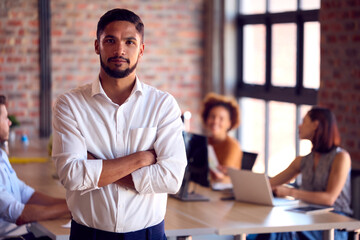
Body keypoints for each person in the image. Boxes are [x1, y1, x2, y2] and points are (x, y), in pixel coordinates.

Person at [51, 8, 187, 240]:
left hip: (149, 235)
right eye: (110, 40)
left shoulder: (162, 105)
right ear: (97, 46)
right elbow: (71, 176)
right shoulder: (70, 104)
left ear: (141, 50)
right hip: (88, 235)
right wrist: (141, 159)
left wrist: (97, 167)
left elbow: (172, 178)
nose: (120, 49)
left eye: (130, 42)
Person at [250, 107, 352, 240]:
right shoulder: (304, 160)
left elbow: (329, 199)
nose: (299, 126)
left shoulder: (341, 157)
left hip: (335, 222)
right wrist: (239, 183)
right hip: (307, 216)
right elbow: (271, 183)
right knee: (265, 230)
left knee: (279, 233)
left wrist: (289, 192)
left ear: (315, 125)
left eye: (304, 122)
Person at [0, 95, 70, 240]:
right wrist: (72, 208)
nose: (9, 122)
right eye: (5, 117)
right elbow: (19, 215)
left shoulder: (1, 155)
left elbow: (25, 193)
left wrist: (71, 203)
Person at [200, 92, 242, 181]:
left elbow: (223, 175)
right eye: (212, 116)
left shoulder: (232, 146)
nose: (215, 121)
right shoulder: (204, 141)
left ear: (229, 123)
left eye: (221, 118)